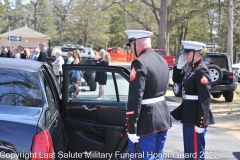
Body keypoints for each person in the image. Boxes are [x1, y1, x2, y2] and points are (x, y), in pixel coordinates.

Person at [124, 30, 172, 160]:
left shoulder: (139, 62)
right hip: (162, 118)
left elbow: (135, 97)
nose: (131, 50)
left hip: (145, 122)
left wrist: (132, 127)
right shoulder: (162, 60)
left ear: (137, 43)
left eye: (131, 45)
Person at [171, 41, 215, 160]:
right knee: (189, 152)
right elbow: (176, 79)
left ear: (197, 53)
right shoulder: (192, 68)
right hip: (188, 115)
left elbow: (204, 98)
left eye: (188, 53)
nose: (185, 56)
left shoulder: (201, 70)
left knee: (195, 153)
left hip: (195, 116)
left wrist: (201, 121)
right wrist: (179, 66)